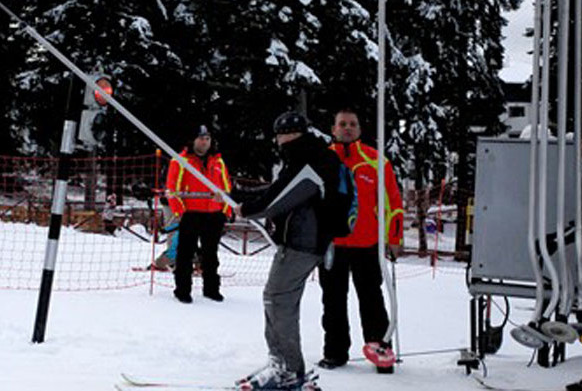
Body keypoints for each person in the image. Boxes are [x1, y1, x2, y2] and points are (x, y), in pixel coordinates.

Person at [234, 111, 341, 391]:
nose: (279, 140)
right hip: (302, 241)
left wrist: (249, 209)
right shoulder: (307, 157)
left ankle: (288, 369)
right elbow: (282, 190)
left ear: (292, 134)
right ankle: (280, 362)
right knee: (276, 298)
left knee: (278, 300)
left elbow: (281, 197)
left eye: (281, 134)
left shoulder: (310, 159)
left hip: (303, 243)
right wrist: (246, 199)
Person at [317, 108, 404, 372]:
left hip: (367, 244)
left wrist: (394, 237)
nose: (347, 128)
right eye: (342, 123)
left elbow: (393, 203)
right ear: (333, 129)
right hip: (333, 245)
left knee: (372, 300)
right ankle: (335, 352)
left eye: (352, 124)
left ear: (360, 129)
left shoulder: (377, 161)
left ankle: (380, 350)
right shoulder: (322, 160)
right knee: (332, 301)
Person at [165, 124, 231, 303]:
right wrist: (180, 211)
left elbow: (226, 187)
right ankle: (182, 290)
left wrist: (225, 210)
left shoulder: (218, 161)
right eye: (201, 138)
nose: (204, 142)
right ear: (193, 140)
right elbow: (172, 189)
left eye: (207, 138)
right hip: (191, 214)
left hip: (214, 214)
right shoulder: (180, 160)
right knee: (185, 253)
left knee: (211, 254)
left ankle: (211, 289)